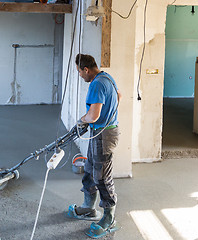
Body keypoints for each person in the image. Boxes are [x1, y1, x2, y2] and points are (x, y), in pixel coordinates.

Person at [67, 54, 121, 238]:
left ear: (86, 69)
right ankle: (88, 207)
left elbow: (93, 116)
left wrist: (82, 120)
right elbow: (118, 96)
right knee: (90, 169)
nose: (80, 76)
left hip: (104, 135)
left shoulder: (97, 83)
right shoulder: (107, 78)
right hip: (101, 132)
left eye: (80, 73)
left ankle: (109, 217)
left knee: (102, 176)